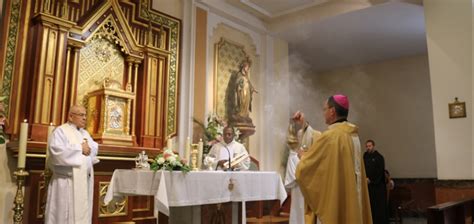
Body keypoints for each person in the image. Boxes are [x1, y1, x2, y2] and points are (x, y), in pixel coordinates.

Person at [296, 94, 372, 224]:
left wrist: (303, 157)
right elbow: (320, 143)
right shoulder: (352, 135)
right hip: (352, 197)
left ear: (332, 111)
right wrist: (304, 125)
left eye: (324, 109)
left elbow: (308, 168)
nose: (323, 113)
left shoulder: (332, 136)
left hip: (338, 198)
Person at [45, 105, 99, 224]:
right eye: (81, 115)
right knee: (63, 216)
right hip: (65, 183)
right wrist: (80, 148)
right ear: (70, 116)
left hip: (82, 182)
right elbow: (56, 152)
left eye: (85, 115)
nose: (85, 118)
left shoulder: (85, 133)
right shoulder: (61, 131)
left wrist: (87, 150)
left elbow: (93, 149)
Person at [285, 111, 321, 224]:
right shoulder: (293, 153)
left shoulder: (313, 141)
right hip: (298, 188)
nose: (300, 136)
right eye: (299, 135)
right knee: (298, 211)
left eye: (302, 134)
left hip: (311, 185)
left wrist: (303, 122)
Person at [226, 59, 258, 124]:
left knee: (246, 102)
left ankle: (245, 115)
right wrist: (240, 85)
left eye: (248, 68)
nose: (248, 69)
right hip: (241, 91)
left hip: (247, 92)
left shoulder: (246, 76)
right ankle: (240, 114)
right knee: (241, 102)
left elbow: (249, 84)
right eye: (247, 67)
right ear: (243, 67)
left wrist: (253, 89)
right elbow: (237, 83)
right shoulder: (239, 74)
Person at [364, 140, 389, 224]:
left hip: (378, 186)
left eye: (370, 146)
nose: (368, 148)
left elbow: (380, 171)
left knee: (378, 207)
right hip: (367, 186)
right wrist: (365, 178)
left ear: (373, 146)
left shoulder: (379, 157)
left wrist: (371, 180)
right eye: (367, 146)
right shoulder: (364, 156)